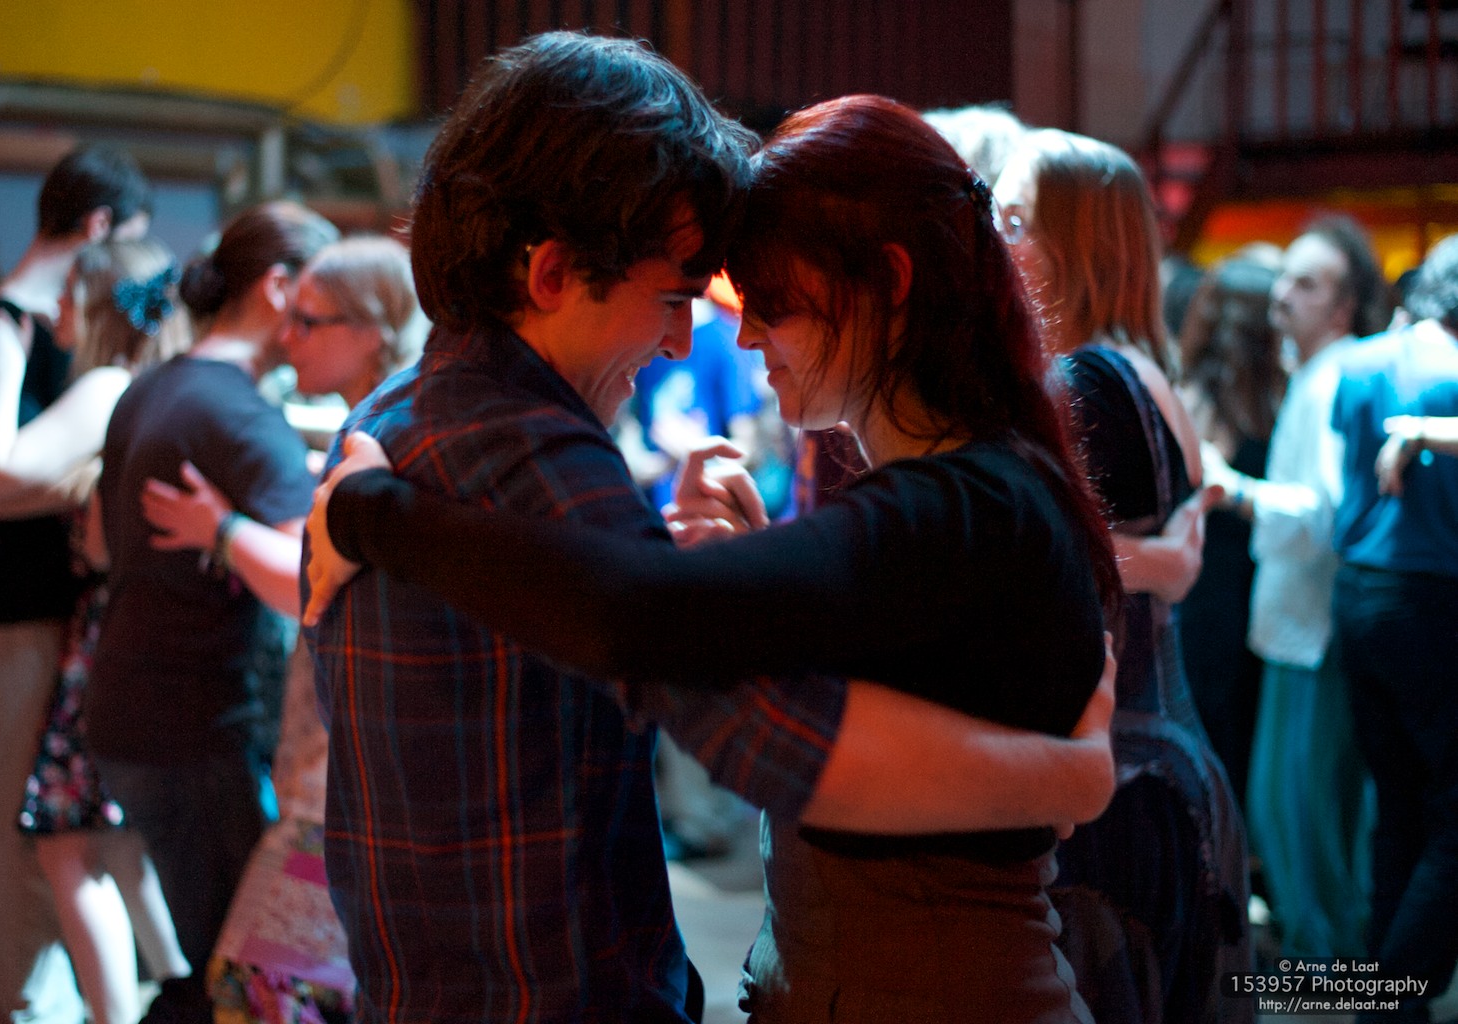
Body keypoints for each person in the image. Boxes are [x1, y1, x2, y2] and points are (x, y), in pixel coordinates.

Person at [304, 77, 1121, 1022]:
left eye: (768, 300)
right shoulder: (960, 494)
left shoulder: (961, 504)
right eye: (682, 295)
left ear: (888, 282)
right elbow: (705, 640)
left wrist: (371, 512)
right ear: (553, 275)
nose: (725, 334)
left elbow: (647, 620)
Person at [994, 127, 1251, 1024]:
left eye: (1013, 218)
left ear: (1072, 242)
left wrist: (1158, 563)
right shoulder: (1138, 366)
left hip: (1125, 783)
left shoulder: (1090, 379)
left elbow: (1046, 558)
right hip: (1157, 763)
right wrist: (1165, 562)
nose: (994, 237)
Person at [134, 234, 424, 1024]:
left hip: (343, 783)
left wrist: (221, 530)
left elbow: (313, 584)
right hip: (327, 774)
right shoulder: (372, 423)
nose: (286, 336)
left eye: (309, 321)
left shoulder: (389, 434)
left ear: (370, 329)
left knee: (263, 993)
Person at [85, 201, 337, 1024]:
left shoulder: (153, 386)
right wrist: (228, 533)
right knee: (242, 983)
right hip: (191, 724)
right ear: (278, 288)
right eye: (321, 298)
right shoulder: (238, 414)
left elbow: (97, 540)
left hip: (134, 707)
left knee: (219, 961)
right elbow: (308, 581)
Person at [0, 145, 149, 1024]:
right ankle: (23, 999)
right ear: (99, 226)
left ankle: (10, 989)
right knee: (20, 816)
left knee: (10, 806)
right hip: (17, 599)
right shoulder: (25, 326)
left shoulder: (6, 318)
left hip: (1, 596)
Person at [0, 238, 193, 1024]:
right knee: (117, 846)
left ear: (97, 306)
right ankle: (183, 995)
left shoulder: (106, 385)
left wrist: (5, 369)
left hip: (107, 636)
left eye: (68, 296)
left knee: (70, 844)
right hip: (139, 634)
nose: (55, 310)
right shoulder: (157, 385)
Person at [1204, 215, 1386, 960]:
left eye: (1306, 284)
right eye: (1286, 277)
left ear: (1343, 306)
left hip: (1311, 628)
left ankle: (1337, 974)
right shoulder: (1316, 373)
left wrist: (1232, 487)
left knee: (1302, 817)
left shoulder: (1333, 375)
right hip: (1298, 624)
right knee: (1295, 814)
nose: (1283, 294)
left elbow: (1322, 512)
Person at [1330, 233, 1458, 1023]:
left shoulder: (1358, 364)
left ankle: (1385, 1004)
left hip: (1358, 595)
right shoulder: (1450, 375)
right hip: (1434, 598)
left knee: (1398, 808)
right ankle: (1390, 1001)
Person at [1176, 252, 1286, 809]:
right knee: (1238, 731)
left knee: (1216, 730)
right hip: (1239, 588)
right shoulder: (1271, 401)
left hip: (1210, 587)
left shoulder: (1188, 397)